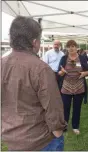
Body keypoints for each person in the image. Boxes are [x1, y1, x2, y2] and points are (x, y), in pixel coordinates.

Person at [1, 16, 67, 151]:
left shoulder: (2, 65)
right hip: (40, 141)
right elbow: (53, 107)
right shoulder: (40, 68)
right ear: (35, 42)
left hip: (12, 139)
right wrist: (58, 133)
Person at [58, 40, 88, 135]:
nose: (71, 48)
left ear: (77, 47)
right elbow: (59, 72)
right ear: (67, 48)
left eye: (73, 46)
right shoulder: (63, 58)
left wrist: (84, 73)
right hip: (66, 87)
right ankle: (64, 126)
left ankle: (75, 126)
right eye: (69, 46)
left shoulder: (82, 58)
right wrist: (62, 72)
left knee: (77, 108)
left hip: (79, 87)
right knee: (65, 108)